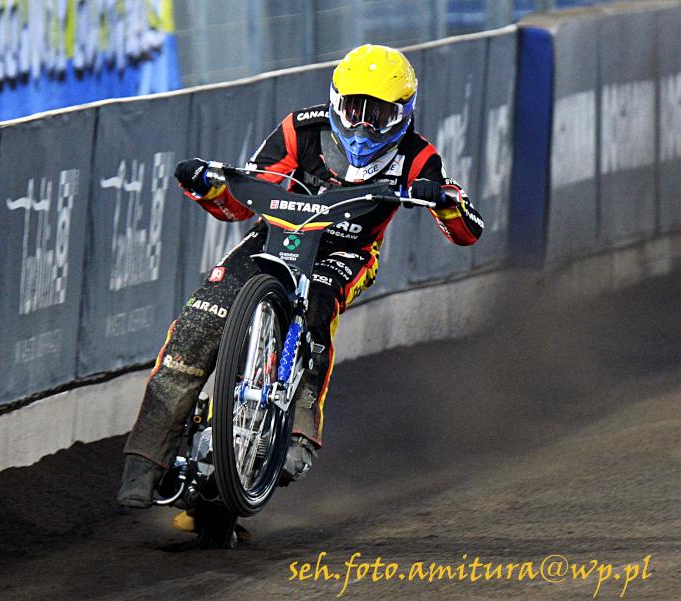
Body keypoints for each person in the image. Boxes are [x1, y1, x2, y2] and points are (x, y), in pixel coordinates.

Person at [117, 44, 484, 509]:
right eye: (354, 109)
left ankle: (299, 433)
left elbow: (467, 232)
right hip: (276, 235)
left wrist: (446, 200)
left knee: (317, 306)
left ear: (403, 114)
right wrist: (207, 188)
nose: (363, 125)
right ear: (335, 101)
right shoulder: (299, 128)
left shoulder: (418, 155)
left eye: (378, 115)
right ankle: (146, 461)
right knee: (199, 322)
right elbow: (242, 199)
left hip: (349, 251)